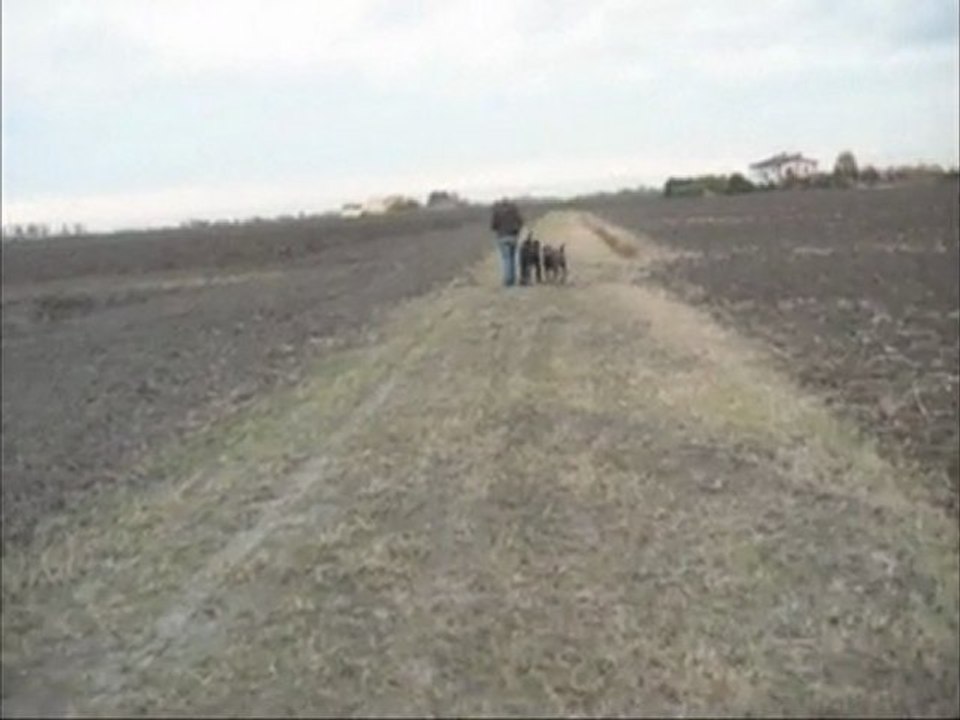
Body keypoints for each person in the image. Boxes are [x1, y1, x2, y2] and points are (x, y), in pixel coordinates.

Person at [490, 197, 524, 287]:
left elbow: (493, 226)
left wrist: (498, 229)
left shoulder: (497, 212)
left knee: (506, 258)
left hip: (502, 237)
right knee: (513, 258)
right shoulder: (514, 211)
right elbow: (521, 222)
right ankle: (513, 279)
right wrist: (517, 231)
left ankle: (508, 280)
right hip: (513, 237)